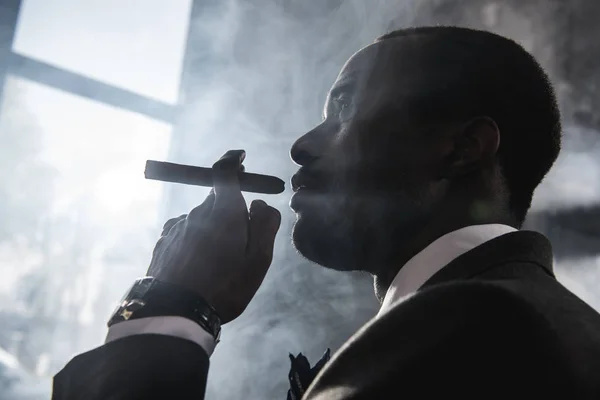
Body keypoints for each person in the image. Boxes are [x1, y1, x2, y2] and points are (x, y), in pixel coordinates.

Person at [52, 26, 600, 399]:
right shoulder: (527, 315)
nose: (302, 145)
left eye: (344, 109)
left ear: (462, 149)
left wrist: (171, 305)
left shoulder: (480, 325)